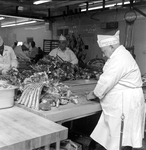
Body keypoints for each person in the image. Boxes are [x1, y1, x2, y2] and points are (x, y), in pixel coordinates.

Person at [87, 30, 145, 150]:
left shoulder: (119, 58)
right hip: (126, 101)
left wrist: (93, 94)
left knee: (120, 138)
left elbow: (105, 82)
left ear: (112, 46)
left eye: (104, 51)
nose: (103, 55)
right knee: (116, 137)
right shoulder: (120, 55)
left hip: (124, 104)